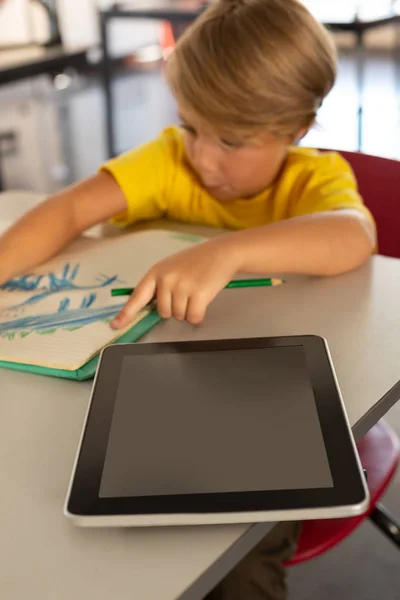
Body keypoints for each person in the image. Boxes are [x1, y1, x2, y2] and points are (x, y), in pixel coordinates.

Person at [0, 1, 375, 596]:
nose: (202, 157)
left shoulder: (312, 180)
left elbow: (354, 236)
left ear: (295, 130)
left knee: (236, 564)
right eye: (191, 124)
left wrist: (227, 252)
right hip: (140, 407)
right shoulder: (170, 159)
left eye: (230, 139)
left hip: (263, 417)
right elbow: (69, 209)